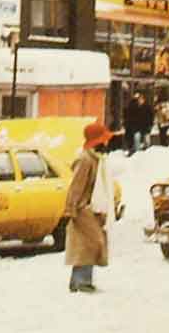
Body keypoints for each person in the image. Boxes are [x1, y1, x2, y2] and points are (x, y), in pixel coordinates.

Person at [65, 121, 116, 293]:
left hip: (92, 208)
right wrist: (71, 208)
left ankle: (80, 281)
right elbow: (76, 185)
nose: (107, 142)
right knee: (91, 243)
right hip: (83, 208)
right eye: (104, 138)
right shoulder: (85, 160)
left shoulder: (96, 159)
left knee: (88, 244)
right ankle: (81, 282)